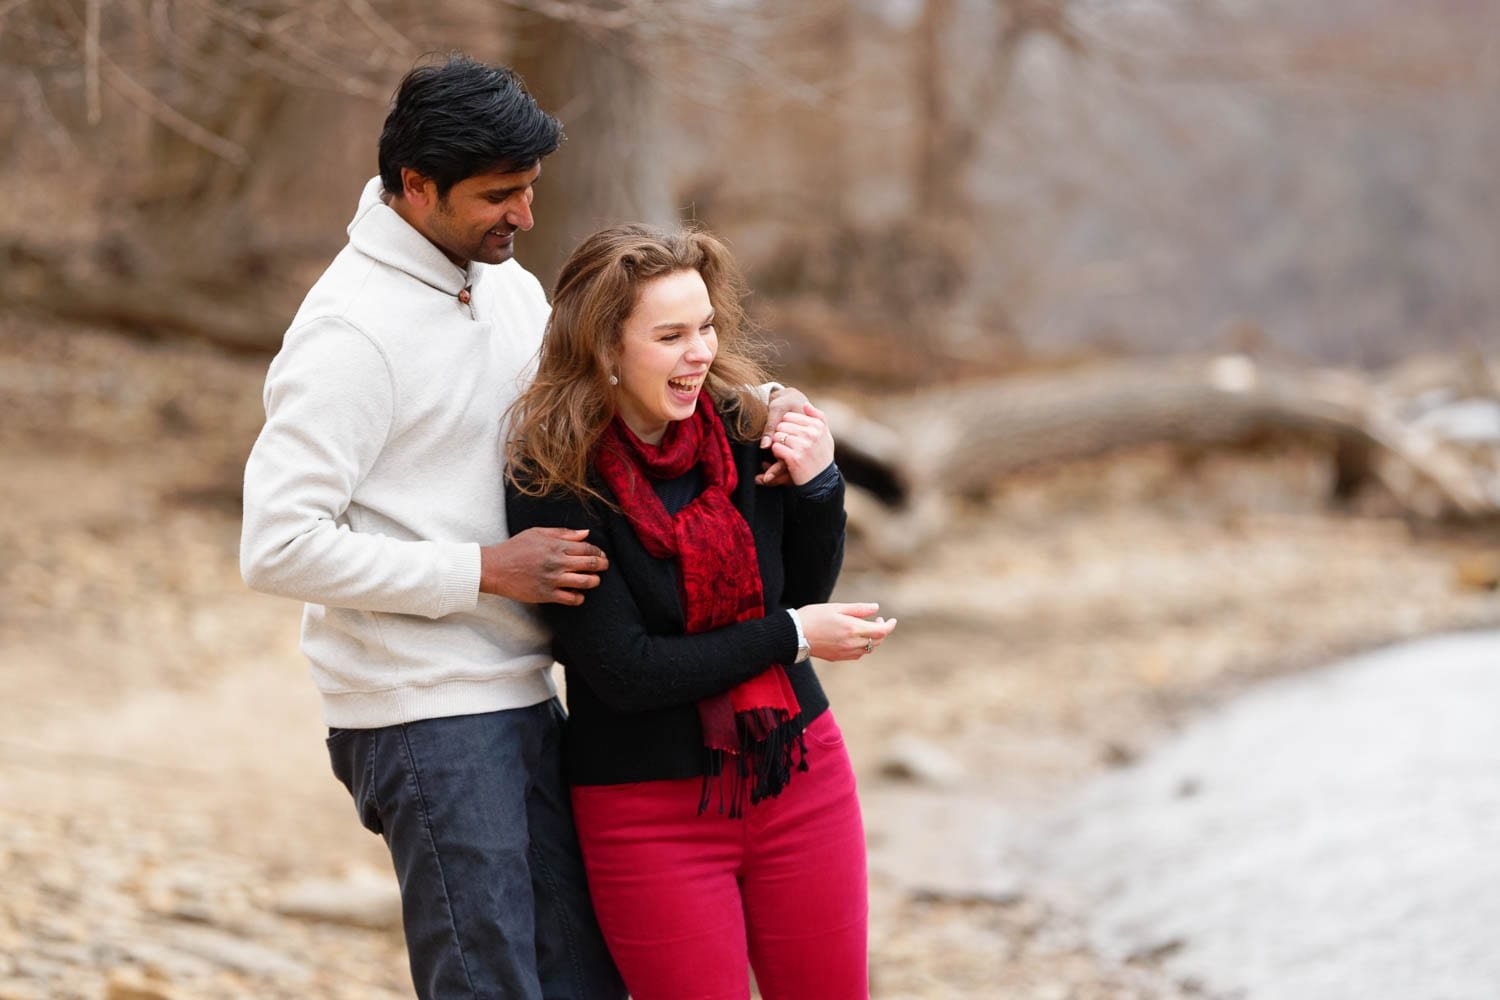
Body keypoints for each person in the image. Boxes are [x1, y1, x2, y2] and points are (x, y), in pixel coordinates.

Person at [239, 56, 810, 1000]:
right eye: (498, 195)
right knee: (489, 982)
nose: (525, 217)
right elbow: (276, 545)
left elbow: (601, 397)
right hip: (423, 712)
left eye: (530, 190)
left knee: (588, 979)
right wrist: (484, 571)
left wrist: (749, 408)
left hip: (528, 690)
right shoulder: (349, 332)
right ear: (414, 187)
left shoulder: (500, 285)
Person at [505, 223, 897, 1000]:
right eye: (671, 335)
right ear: (606, 350)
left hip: (797, 775)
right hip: (646, 813)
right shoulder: (554, 481)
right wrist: (791, 639)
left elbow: (801, 590)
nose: (701, 353)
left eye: (707, 326)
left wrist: (820, 485)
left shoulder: (743, 432)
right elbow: (625, 671)